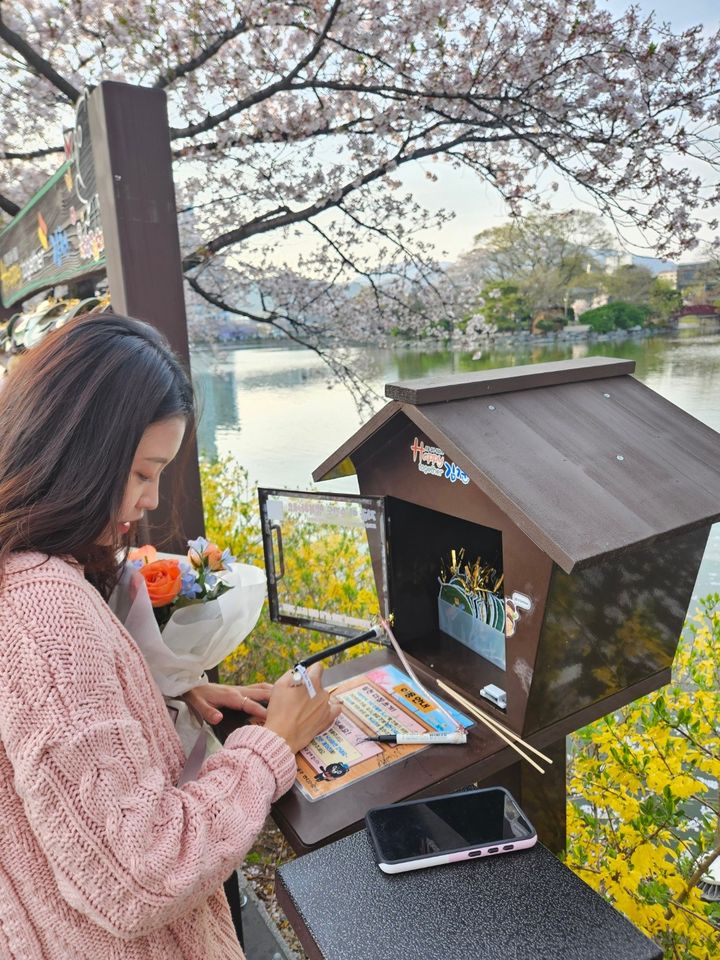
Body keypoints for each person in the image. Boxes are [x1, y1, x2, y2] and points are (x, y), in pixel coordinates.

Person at [0, 311, 341, 960]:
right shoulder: (46, 608)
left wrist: (159, 704)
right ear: (79, 455)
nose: (152, 500)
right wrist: (271, 749)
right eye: (141, 474)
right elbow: (143, 873)